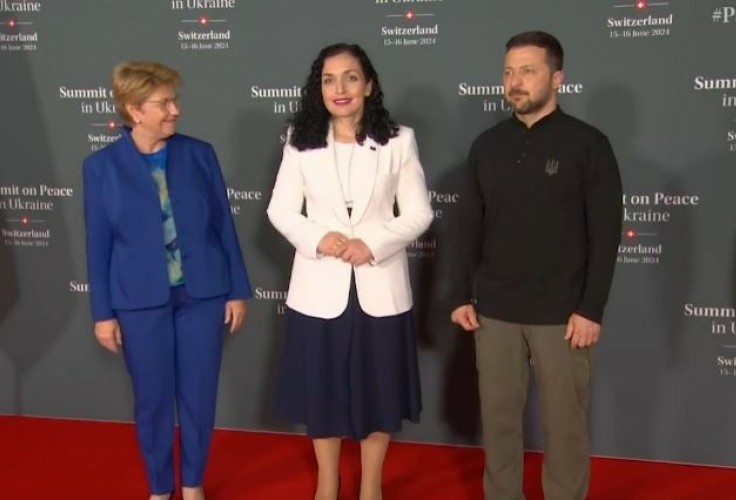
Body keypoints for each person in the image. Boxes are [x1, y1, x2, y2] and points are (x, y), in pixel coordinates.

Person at [449, 32, 623, 500]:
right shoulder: (487, 145)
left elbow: (606, 235)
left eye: (528, 71)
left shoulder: (588, 144)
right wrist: (461, 294)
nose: (515, 81)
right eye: (508, 72)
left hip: (563, 315)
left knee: (565, 427)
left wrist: (591, 308)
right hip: (495, 312)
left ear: (557, 78)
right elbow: (467, 226)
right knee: (499, 423)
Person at [267, 43, 433, 500]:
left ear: (369, 85)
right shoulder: (299, 141)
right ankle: (327, 482)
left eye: (350, 77)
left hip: (381, 286)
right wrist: (318, 238)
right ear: (318, 89)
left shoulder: (399, 140)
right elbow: (281, 210)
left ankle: (371, 486)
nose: (339, 88)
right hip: (318, 288)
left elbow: (419, 212)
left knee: (380, 391)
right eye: (329, 79)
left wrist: (373, 244)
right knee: (322, 391)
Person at [82, 61, 251, 500]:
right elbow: (98, 245)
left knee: (199, 396)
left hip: (204, 295)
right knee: (152, 401)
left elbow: (223, 226)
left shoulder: (200, 154)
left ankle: (193, 484)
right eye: (164, 103)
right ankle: (160, 488)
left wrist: (237, 289)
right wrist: (102, 313)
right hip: (139, 302)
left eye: (175, 100)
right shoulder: (100, 167)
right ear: (135, 110)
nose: (175, 109)